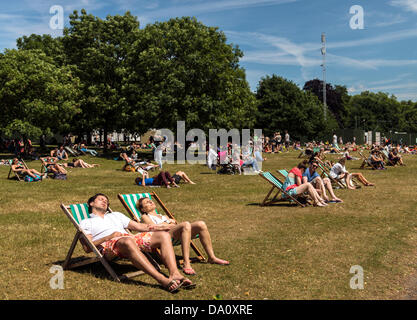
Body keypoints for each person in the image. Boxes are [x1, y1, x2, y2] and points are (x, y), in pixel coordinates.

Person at [79, 193, 195, 292]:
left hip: (128, 238)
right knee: (128, 240)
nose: (104, 201)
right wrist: (109, 236)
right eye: (100, 199)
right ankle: (161, 279)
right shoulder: (86, 222)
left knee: (163, 235)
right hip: (109, 246)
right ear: (91, 204)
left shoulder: (116, 215)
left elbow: (139, 226)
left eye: (106, 201)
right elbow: (87, 248)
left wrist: (157, 228)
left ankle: (175, 273)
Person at [137, 197, 229, 276]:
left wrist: (168, 223)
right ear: (143, 209)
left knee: (201, 224)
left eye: (150, 200)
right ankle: (186, 262)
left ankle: (212, 257)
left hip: (173, 233)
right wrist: (168, 223)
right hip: (162, 236)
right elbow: (153, 228)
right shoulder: (145, 216)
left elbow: (175, 225)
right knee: (185, 224)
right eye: (147, 202)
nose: (151, 202)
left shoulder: (163, 216)